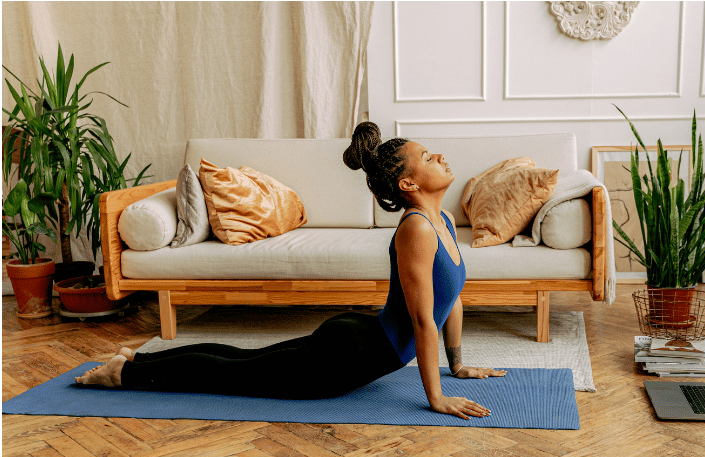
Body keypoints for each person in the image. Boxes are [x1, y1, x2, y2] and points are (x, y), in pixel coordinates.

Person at [75, 121, 506, 420]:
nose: (441, 157)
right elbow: (421, 320)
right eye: (429, 157)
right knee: (236, 374)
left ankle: (136, 359)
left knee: (246, 361)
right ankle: (126, 372)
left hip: (357, 340)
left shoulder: (443, 221)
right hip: (349, 357)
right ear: (408, 185)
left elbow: (452, 300)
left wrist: (458, 366)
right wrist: (437, 397)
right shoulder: (417, 230)